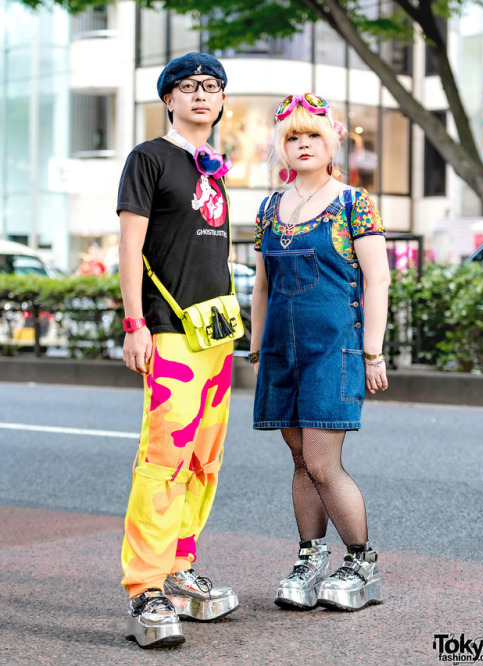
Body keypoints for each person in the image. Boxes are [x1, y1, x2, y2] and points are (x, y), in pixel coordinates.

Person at [250, 93, 391, 612]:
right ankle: (311, 557)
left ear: (332, 141)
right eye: (292, 137)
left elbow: (378, 279)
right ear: (280, 148)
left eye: (312, 135)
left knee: (321, 461)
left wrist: (372, 352)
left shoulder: (355, 202)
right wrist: (256, 345)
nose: (303, 144)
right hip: (280, 352)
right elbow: (262, 286)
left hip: (335, 347)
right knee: (298, 459)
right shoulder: (268, 208)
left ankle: (361, 562)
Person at [117, 52, 239, 649]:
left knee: (204, 459)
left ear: (221, 102)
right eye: (187, 87)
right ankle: (145, 587)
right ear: (168, 98)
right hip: (167, 329)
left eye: (211, 87)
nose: (200, 95)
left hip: (215, 335)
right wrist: (133, 322)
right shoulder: (149, 159)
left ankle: (178, 567)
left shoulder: (212, 167)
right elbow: (130, 245)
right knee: (163, 456)